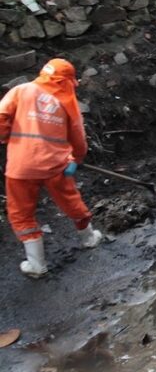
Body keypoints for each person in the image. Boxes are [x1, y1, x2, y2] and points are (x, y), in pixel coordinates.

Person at [0, 59, 103, 278]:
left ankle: (37, 265)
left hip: (20, 168)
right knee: (71, 202)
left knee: (21, 214)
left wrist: (4, 136)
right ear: (68, 80)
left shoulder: (21, 91)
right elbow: (78, 137)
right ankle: (89, 239)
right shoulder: (67, 102)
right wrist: (77, 158)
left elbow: (1, 117)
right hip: (55, 166)